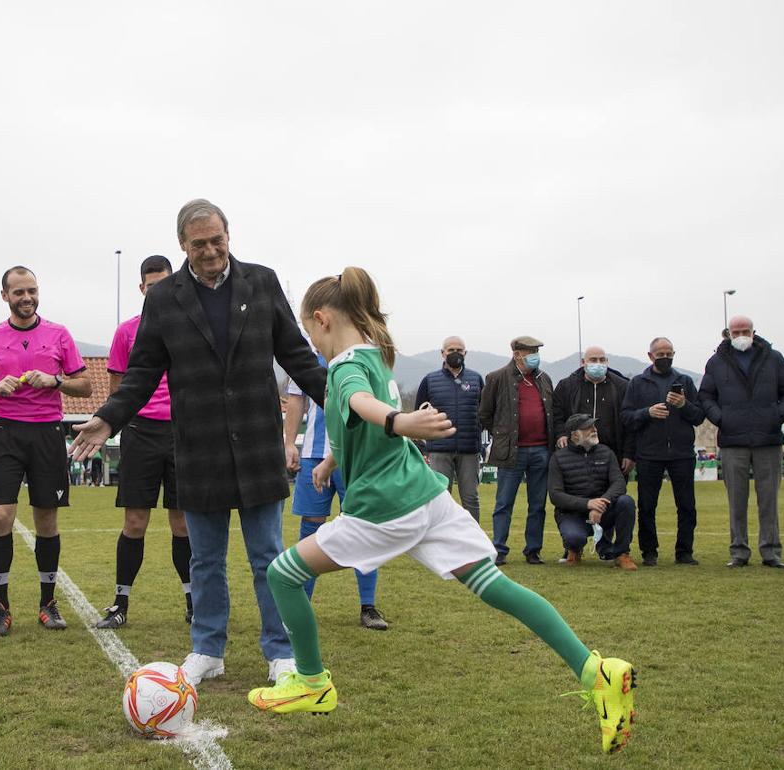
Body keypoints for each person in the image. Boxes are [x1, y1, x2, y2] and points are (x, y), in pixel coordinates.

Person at [244, 267, 638, 755]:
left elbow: (363, 406)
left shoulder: (345, 367)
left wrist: (400, 419)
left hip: (384, 509)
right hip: (428, 498)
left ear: (322, 319)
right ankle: (594, 669)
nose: (311, 342)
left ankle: (310, 683)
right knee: (499, 588)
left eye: (308, 332)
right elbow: (361, 424)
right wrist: (332, 457)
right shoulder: (376, 356)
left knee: (282, 574)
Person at [71, 199, 327, 688]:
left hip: (256, 444)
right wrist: (109, 419)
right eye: (198, 244)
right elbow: (143, 371)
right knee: (205, 559)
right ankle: (208, 648)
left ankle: (279, 650)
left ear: (229, 236)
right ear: (182, 246)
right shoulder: (164, 298)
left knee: (268, 556)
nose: (209, 251)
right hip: (198, 447)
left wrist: (340, 403)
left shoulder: (262, 281)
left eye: (217, 241)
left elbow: (297, 355)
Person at [0, 266, 92, 636]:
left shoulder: (58, 334)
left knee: (46, 520)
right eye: (18, 292)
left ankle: (47, 603)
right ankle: (0, 607)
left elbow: (86, 386)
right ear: (5, 296)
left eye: (32, 290)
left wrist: (56, 380)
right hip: (5, 433)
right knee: (1, 517)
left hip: (48, 433)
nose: (27, 298)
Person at [93, 255, 193, 629]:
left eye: (164, 284)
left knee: (182, 523)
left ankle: (193, 602)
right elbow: (118, 389)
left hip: (183, 433)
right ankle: (120, 604)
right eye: (151, 286)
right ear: (142, 289)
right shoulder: (126, 332)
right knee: (135, 522)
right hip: (140, 433)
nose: (158, 292)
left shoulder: (187, 325)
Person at [285, 362, 388, 630]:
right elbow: (296, 402)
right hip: (312, 454)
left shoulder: (361, 355)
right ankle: (301, 605)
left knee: (363, 526)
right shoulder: (304, 353)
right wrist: (288, 443)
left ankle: (368, 606)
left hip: (355, 457)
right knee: (310, 529)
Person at [699, 316, 784, 568]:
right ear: (728, 333)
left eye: (745, 331)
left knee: (768, 499)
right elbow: (706, 395)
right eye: (736, 331)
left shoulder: (774, 358)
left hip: (767, 439)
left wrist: (776, 416)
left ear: (754, 331)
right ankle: (739, 551)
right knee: (736, 500)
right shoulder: (716, 362)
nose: (741, 335)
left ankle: (770, 551)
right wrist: (721, 418)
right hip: (732, 440)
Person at [621, 337, 704, 566]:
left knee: (687, 505)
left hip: (682, 453)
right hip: (649, 454)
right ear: (650, 356)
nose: (665, 358)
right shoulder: (637, 383)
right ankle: (649, 552)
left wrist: (683, 405)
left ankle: (684, 551)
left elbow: (698, 416)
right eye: (661, 354)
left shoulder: (685, 381)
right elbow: (626, 417)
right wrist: (647, 412)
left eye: (669, 354)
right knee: (647, 506)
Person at [478, 336, 555, 565]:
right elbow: (484, 414)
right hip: (512, 451)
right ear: (517, 354)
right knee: (504, 503)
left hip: (541, 450)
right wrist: (502, 435)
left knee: (538, 504)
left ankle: (533, 550)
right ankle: (499, 549)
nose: (535, 356)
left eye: (536, 351)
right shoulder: (497, 378)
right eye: (530, 351)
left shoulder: (544, 379)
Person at [548, 414, 638, 570]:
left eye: (594, 426)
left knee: (626, 502)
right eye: (588, 428)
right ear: (575, 434)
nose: (594, 430)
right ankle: (574, 549)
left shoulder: (606, 452)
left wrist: (600, 503)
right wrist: (587, 504)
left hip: (603, 510)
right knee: (574, 538)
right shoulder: (558, 458)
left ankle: (622, 553)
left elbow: (619, 483)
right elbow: (556, 495)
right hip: (572, 514)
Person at [414, 336, 484, 520]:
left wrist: (476, 432)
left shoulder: (476, 379)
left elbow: (484, 411)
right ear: (442, 353)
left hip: (469, 450)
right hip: (439, 449)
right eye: (451, 350)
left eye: (459, 350)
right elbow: (418, 412)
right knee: (440, 499)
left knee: (470, 498)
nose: (455, 353)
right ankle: (441, 542)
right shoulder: (429, 380)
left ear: (465, 353)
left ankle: (473, 542)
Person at [552, 347, 635, 473]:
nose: (598, 363)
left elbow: (630, 422)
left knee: (615, 491)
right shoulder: (566, 386)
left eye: (602, 360)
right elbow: (556, 414)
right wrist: (561, 434)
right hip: (575, 453)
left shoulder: (622, 386)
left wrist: (629, 453)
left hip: (613, 454)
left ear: (607, 361)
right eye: (593, 360)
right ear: (583, 362)